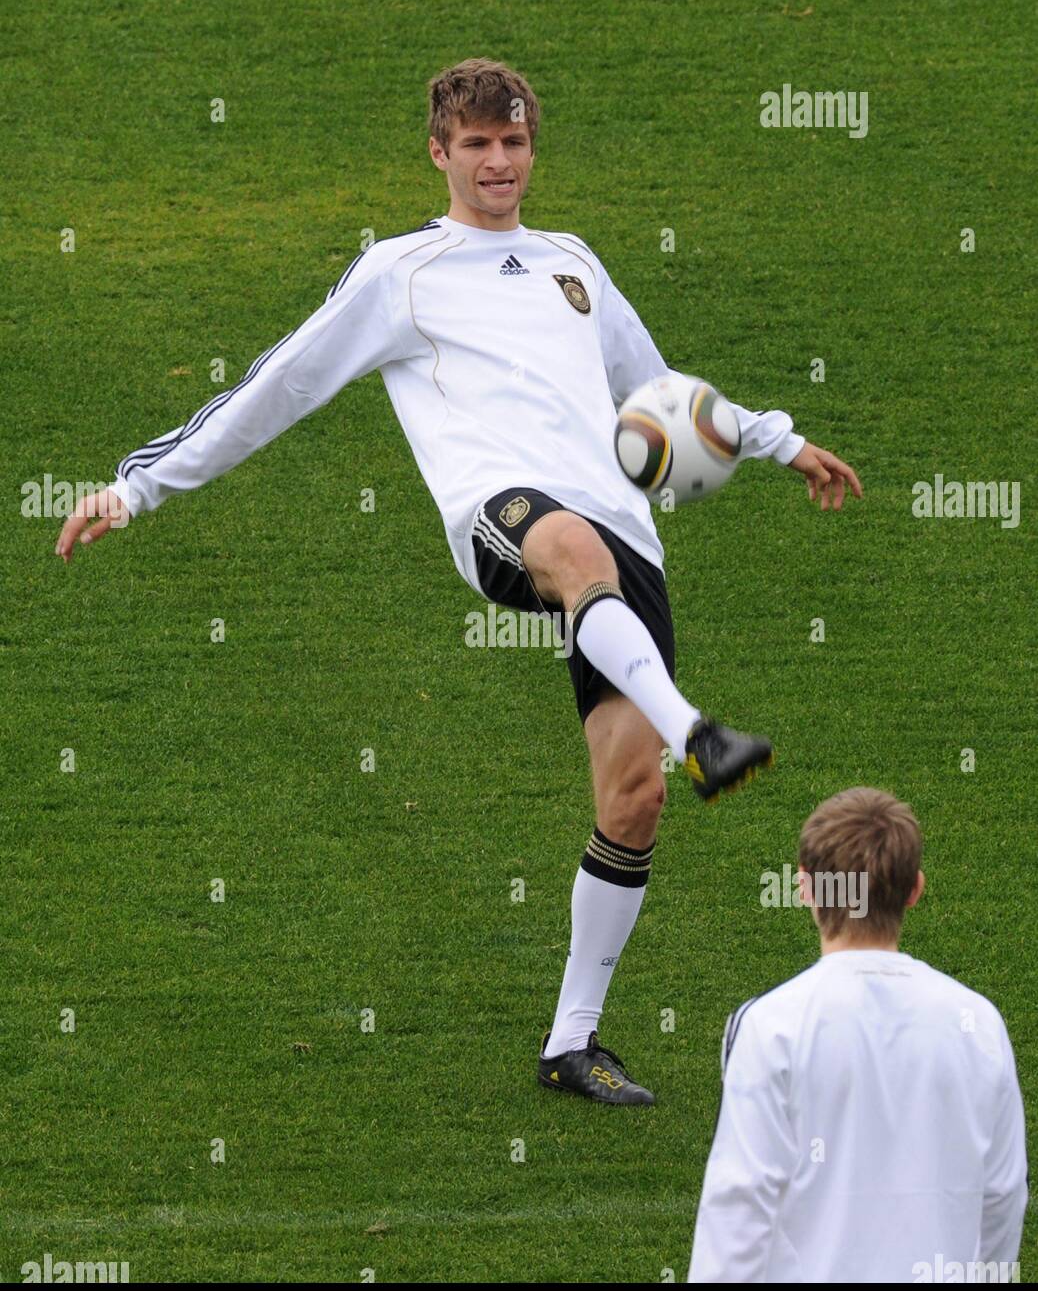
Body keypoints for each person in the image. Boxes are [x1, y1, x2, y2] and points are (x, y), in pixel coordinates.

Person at [55, 58, 861, 1105]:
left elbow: (659, 395)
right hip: (505, 515)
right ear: (439, 152)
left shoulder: (574, 263)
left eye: (513, 143)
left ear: (532, 149)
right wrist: (141, 486)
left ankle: (572, 1043)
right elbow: (281, 381)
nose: (497, 162)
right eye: (475, 145)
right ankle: (701, 733)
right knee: (571, 547)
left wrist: (777, 441)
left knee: (632, 798)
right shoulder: (402, 272)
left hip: (624, 543)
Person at [689, 787, 1027, 1280]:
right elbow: (1003, 1195)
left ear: (804, 886)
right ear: (915, 888)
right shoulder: (977, 1023)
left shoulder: (772, 1026)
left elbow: (739, 1207)